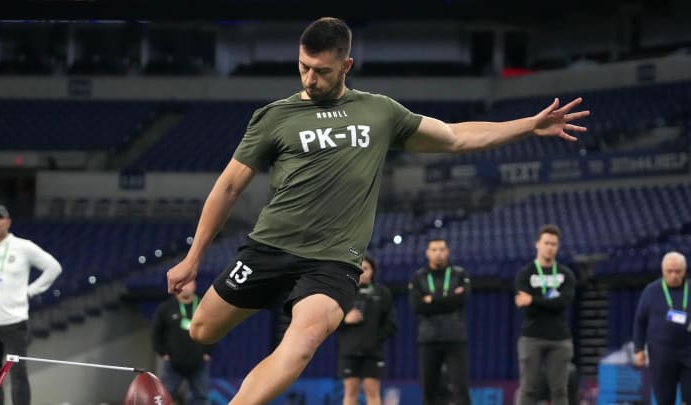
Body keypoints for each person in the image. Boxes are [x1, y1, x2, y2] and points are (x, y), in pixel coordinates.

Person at [165, 17, 590, 405]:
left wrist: (529, 125)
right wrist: (194, 258)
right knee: (202, 330)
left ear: (346, 65)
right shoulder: (274, 117)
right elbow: (229, 186)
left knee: (304, 339)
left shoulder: (379, 112)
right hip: (269, 248)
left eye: (322, 71)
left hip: (332, 263)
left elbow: (456, 136)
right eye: (303, 67)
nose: (310, 79)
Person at [0, 204, 62, 405]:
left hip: (13, 322)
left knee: (18, 375)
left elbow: (53, 267)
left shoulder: (24, 247)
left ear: (8, 221)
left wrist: (31, 291)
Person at [514, 224, 576, 405]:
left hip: (560, 339)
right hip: (531, 337)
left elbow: (563, 303)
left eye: (554, 244)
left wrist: (533, 300)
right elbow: (523, 305)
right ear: (537, 244)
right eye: (546, 243)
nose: (550, 247)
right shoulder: (525, 274)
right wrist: (545, 302)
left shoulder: (566, 274)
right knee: (528, 389)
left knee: (559, 390)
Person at [409, 238, 471, 405]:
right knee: (429, 389)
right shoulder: (418, 277)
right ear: (427, 253)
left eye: (442, 249)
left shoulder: (459, 274)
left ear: (448, 252)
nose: (438, 253)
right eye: (434, 249)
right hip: (428, 339)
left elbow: (461, 300)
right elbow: (418, 306)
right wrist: (448, 299)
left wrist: (431, 300)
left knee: (460, 389)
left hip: (455, 338)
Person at [336, 255, 397, 405]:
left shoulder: (383, 293)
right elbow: (331, 323)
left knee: (373, 392)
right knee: (350, 393)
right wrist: (345, 320)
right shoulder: (344, 293)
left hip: (373, 353)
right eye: (358, 269)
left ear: (373, 271)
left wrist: (375, 338)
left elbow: (392, 324)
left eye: (366, 269)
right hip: (349, 351)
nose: (362, 272)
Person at [632, 251, 690, 404]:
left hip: (689, 352)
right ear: (662, 270)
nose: (673, 275)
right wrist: (638, 349)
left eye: (678, 271)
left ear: (685, 271)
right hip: (661, 355)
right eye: (669, 271)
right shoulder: (651, 291)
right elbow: (640, 321)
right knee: (664, 400)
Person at [152, 279, 214, 405]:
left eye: (189, 283)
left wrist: (208, 352)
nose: (185, 287)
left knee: (202, 397)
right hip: (173, 363)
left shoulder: (203, 306)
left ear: (195, 285)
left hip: (199, 362)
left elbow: (214, 328)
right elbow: (156, 332)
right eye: (182, 284)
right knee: (164, 398)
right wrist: (163, 352)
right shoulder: (166, 307)